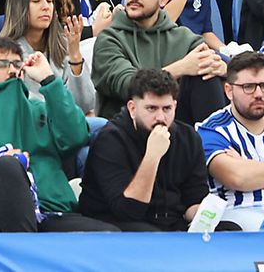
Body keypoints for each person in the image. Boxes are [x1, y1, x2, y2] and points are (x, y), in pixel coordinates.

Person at [0, 36, 111, 233]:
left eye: (17, 63)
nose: (12, 69)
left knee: (109, 238)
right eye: (1, 64)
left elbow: (76, 137)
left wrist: (49, 81)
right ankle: (26, 251)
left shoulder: (41, 108)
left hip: (51, 215)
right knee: (7, 166)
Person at [92, 0, 228, 124]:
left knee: (207, 74)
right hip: (129, 130)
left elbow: (216, 63)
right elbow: (128, 86)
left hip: (176, 128)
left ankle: (214, 145)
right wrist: (181, 68)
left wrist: (224, 69)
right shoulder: (109, 38)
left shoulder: (181, 36)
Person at [80, 68, 210, 230]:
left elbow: (194, 198)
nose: (161, 118)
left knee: (228, 229)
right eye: (152, 108)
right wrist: (152, 156)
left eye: (167, 108)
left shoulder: (188, 137)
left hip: (172, 222)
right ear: (132, 108)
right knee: (151, 233)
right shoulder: (110, 140)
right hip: (117, 224)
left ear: (175, 106)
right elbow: (128, 209)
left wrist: (204, 218)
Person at [197, 50, 264, 229]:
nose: (258, 94)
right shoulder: (212, 129)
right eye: (248, 86)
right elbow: (238, 178)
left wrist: (249, 167)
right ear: (229, 90)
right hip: (238, 214)